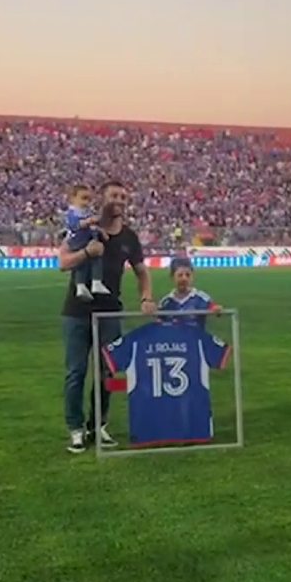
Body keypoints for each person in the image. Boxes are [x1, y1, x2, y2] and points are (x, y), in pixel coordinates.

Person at [57, 180, 156, 454]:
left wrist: (146, 297)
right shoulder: (84, 227)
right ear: (101, 199)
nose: (119, 200)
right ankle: (76, 430)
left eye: (123, 196)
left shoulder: (129, 237)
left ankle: (98, 425)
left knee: (107, 372)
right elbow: (62, 263)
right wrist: (86, 253)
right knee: (76, 373)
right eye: (114, 195)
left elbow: (142, 271)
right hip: (77, 312)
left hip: (110, 312)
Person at [64, 184, 109, 301]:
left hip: (88, 238)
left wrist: (101, 231)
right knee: (93, 258)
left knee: (87, 262)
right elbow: (74, 226)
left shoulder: (87, 212)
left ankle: (83, 286)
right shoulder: (72, 212)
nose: (87, 202)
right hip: (79, 239)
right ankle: (95, 282)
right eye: (84, 198)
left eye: (89, 199)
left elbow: (94, 225)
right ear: (73, 198)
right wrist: (89, 221)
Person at [158, 257, 221, 330]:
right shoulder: (166, 302)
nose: (184, 278)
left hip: (196, 336)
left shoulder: (201, 297)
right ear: (172, 277)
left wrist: (216, 309)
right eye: (180, 275)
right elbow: (159, 322)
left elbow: (213, 307)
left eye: (188, 275)